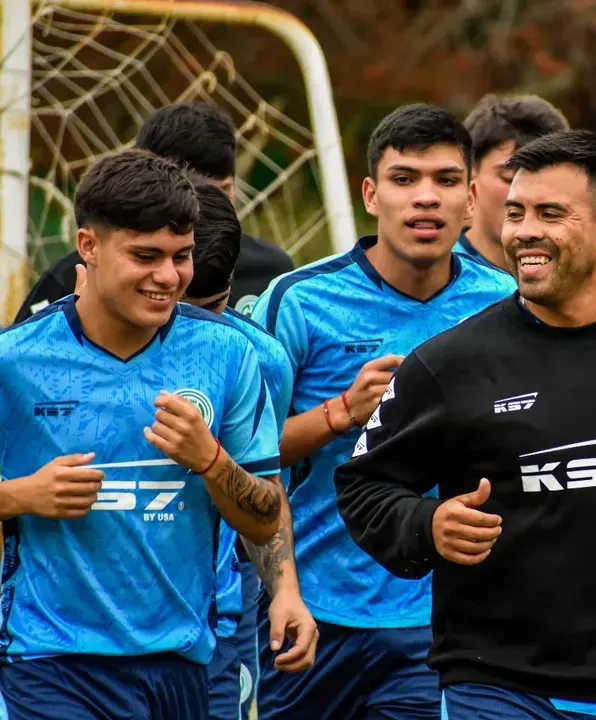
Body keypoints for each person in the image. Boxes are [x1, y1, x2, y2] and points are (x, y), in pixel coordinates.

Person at [334, 129, 596, 720]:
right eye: (515, 213)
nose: (524, 231)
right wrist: (427, 524)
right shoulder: (451, 362)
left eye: (550, 213)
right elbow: (363, 486)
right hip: (496, 685)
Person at [250, 103, 516, 719]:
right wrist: (340, 413)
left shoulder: (505, 304)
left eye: (446, 181)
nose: (426, 198)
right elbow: (241, 459)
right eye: (404, 179)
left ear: (472, 198)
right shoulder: (299, 302)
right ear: (371, 194)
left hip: (439, 623)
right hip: (308, 613)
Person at [0, 150, 283, 719]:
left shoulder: (226, 354)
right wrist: (20, 496)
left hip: (183, 662)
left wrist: (212, 462)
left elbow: (266, 517)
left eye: (181, 257)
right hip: (52, 663)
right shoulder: (16, 361)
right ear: (88, 247)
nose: (168, 276)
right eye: (145, 256)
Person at [180, 181, 319, 719]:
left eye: (211, 310)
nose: (196, 331)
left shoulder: (259, 357)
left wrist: (284, 589)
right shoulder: (47, 351)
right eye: (181, 310)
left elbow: (264, 479)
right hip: (73, 640)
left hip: (218, 620)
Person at [13, 102, 295, 325]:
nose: (205, 208)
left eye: (222, 191)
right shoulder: (74, 278)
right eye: (189, 192)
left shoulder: (272, 275)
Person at [454, 93, 569, 272]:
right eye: (509, 178)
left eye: (544, 183)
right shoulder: (438, 275)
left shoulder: (575, 281)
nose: (525, 195)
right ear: (469, 176)